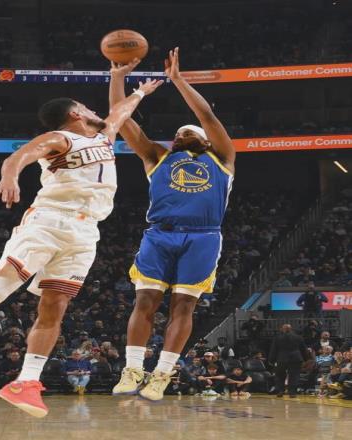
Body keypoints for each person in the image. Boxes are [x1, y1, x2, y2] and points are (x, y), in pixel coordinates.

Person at [0, 77, 162, 417]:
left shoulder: (104, 137)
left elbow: (120, 111)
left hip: (86, 232)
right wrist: (9, 175)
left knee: (55, 306)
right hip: (49, 221)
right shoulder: (59, 138)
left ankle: (26, 381)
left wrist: (140, 91)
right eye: (86, 107)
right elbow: (21, 155)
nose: (95, 110)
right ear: (75, 113)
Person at [111, 48, 236, 401]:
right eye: (179, 133)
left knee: (183, 306)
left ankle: (163, 374)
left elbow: (205, 114)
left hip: (203, 237)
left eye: (189, 131)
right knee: (145, 301)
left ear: (206, 140)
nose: (182, 133)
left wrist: (178, 80)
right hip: (159, 235)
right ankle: (133, 369)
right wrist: (117, 79)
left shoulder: (223, 157)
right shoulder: (157, 156)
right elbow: (122, 120)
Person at [269, 324, 309, 397]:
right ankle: (292, 392)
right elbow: (303, 349)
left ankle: (280, 391)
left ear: (282, 329)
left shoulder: (277, 338)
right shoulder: (298, 337)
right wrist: (306, 359)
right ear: (291, 329)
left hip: (281, 358)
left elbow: (274, 350)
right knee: (294, 376)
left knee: (279, 375)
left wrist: (271, 360)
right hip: (295, 358)